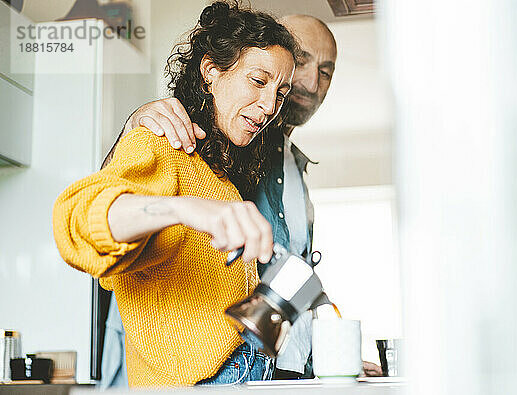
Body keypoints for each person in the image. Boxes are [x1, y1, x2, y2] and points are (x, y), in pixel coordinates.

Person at [103, 13, 383, 380]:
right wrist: (136, 124)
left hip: (273, 369)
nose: (312, 82)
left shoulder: (288, 163)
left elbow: (280, 275)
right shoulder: (214, 141)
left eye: (326, 71)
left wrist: (321, 356)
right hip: (202, 371)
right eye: (301, 62)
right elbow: (105, 207)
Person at [52, 1, 298, 387]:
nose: (270, 106)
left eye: (280, 93)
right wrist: (184, 208)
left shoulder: (224, 182)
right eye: (258, 80)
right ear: (211, 71)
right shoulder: (160, 142)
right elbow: (78, 222)